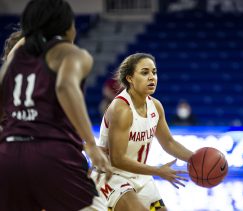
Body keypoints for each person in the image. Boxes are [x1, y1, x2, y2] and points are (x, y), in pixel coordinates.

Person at [0, 0, 112, 210]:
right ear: (68, 26)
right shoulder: (72, 53)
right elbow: (65, 86)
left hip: (9, 156)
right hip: (52, 153)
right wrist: (90, 145)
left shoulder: (13, 64)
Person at [93, 53, 194, 211]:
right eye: (145, 72)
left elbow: (168, 142)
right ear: (130, 78)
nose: (152, 77)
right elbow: (117, 159)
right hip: (112, 175)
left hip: (140, 176)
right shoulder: (121, 109)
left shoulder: (156, 106)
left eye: (154, 72)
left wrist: (195, 159)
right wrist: (158, 171)